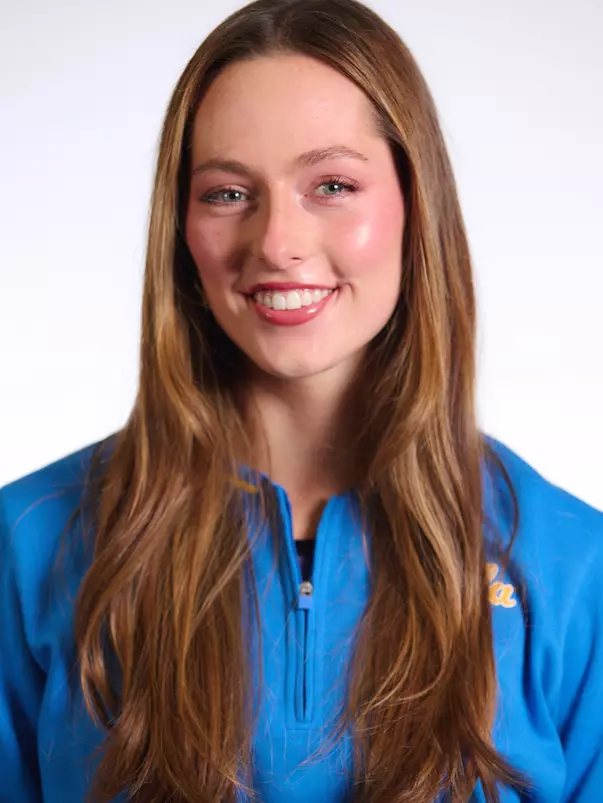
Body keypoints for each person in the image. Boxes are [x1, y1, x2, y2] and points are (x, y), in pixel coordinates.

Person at [1, 0, 602, 801]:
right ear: (180, 227)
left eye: (330, 184)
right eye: (225, 193)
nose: (277, 242)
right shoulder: (31, 542)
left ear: (413, 205)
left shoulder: (572, 568)